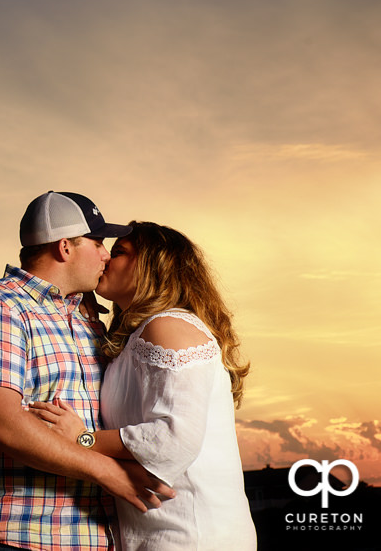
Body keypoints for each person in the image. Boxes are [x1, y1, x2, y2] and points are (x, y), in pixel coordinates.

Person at [0, 192, 175, 551]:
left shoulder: (88, 320)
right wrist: (107, 471)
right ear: (65, 247)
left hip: (95, 538)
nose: (106, 254)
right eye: (98, 242)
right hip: (19, 535)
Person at [31, 221, 257, 550]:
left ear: (154, 265)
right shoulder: (138, 337)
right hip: (158, 531)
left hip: (192, 535)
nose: (105, 256)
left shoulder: (169, 326)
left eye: (119, 252)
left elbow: (173, 439)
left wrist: (82, 438)